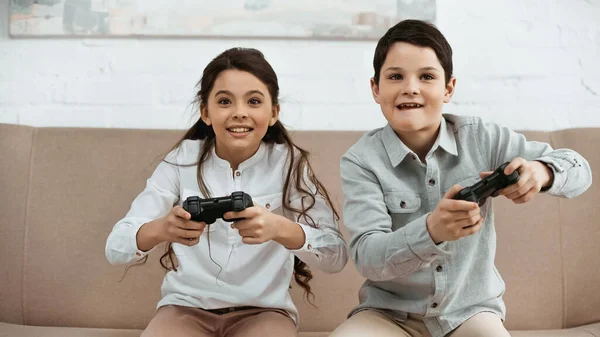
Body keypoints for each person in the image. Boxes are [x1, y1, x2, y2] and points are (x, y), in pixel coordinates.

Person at [331, 19, 592, 337]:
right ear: (375, 88)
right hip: (388, 315)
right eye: (395, 76)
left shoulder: (481, 137)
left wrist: (542, 172)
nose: (410, 87)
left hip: (469, 312)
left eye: (426, 76)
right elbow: (368, 258)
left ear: (448, 88)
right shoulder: (361, 160)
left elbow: (579, 169)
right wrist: (432, 231)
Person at [105, 47, 348, 337]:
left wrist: (279, 228)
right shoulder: (181, 160)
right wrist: (162, 229)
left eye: (254, 101)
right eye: (224, 101)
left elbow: (336, 256)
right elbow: (115, 248)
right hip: (185, 309)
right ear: (206, 112)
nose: (239, 113)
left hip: (264, 312)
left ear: (273, 112)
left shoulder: (289, 164)